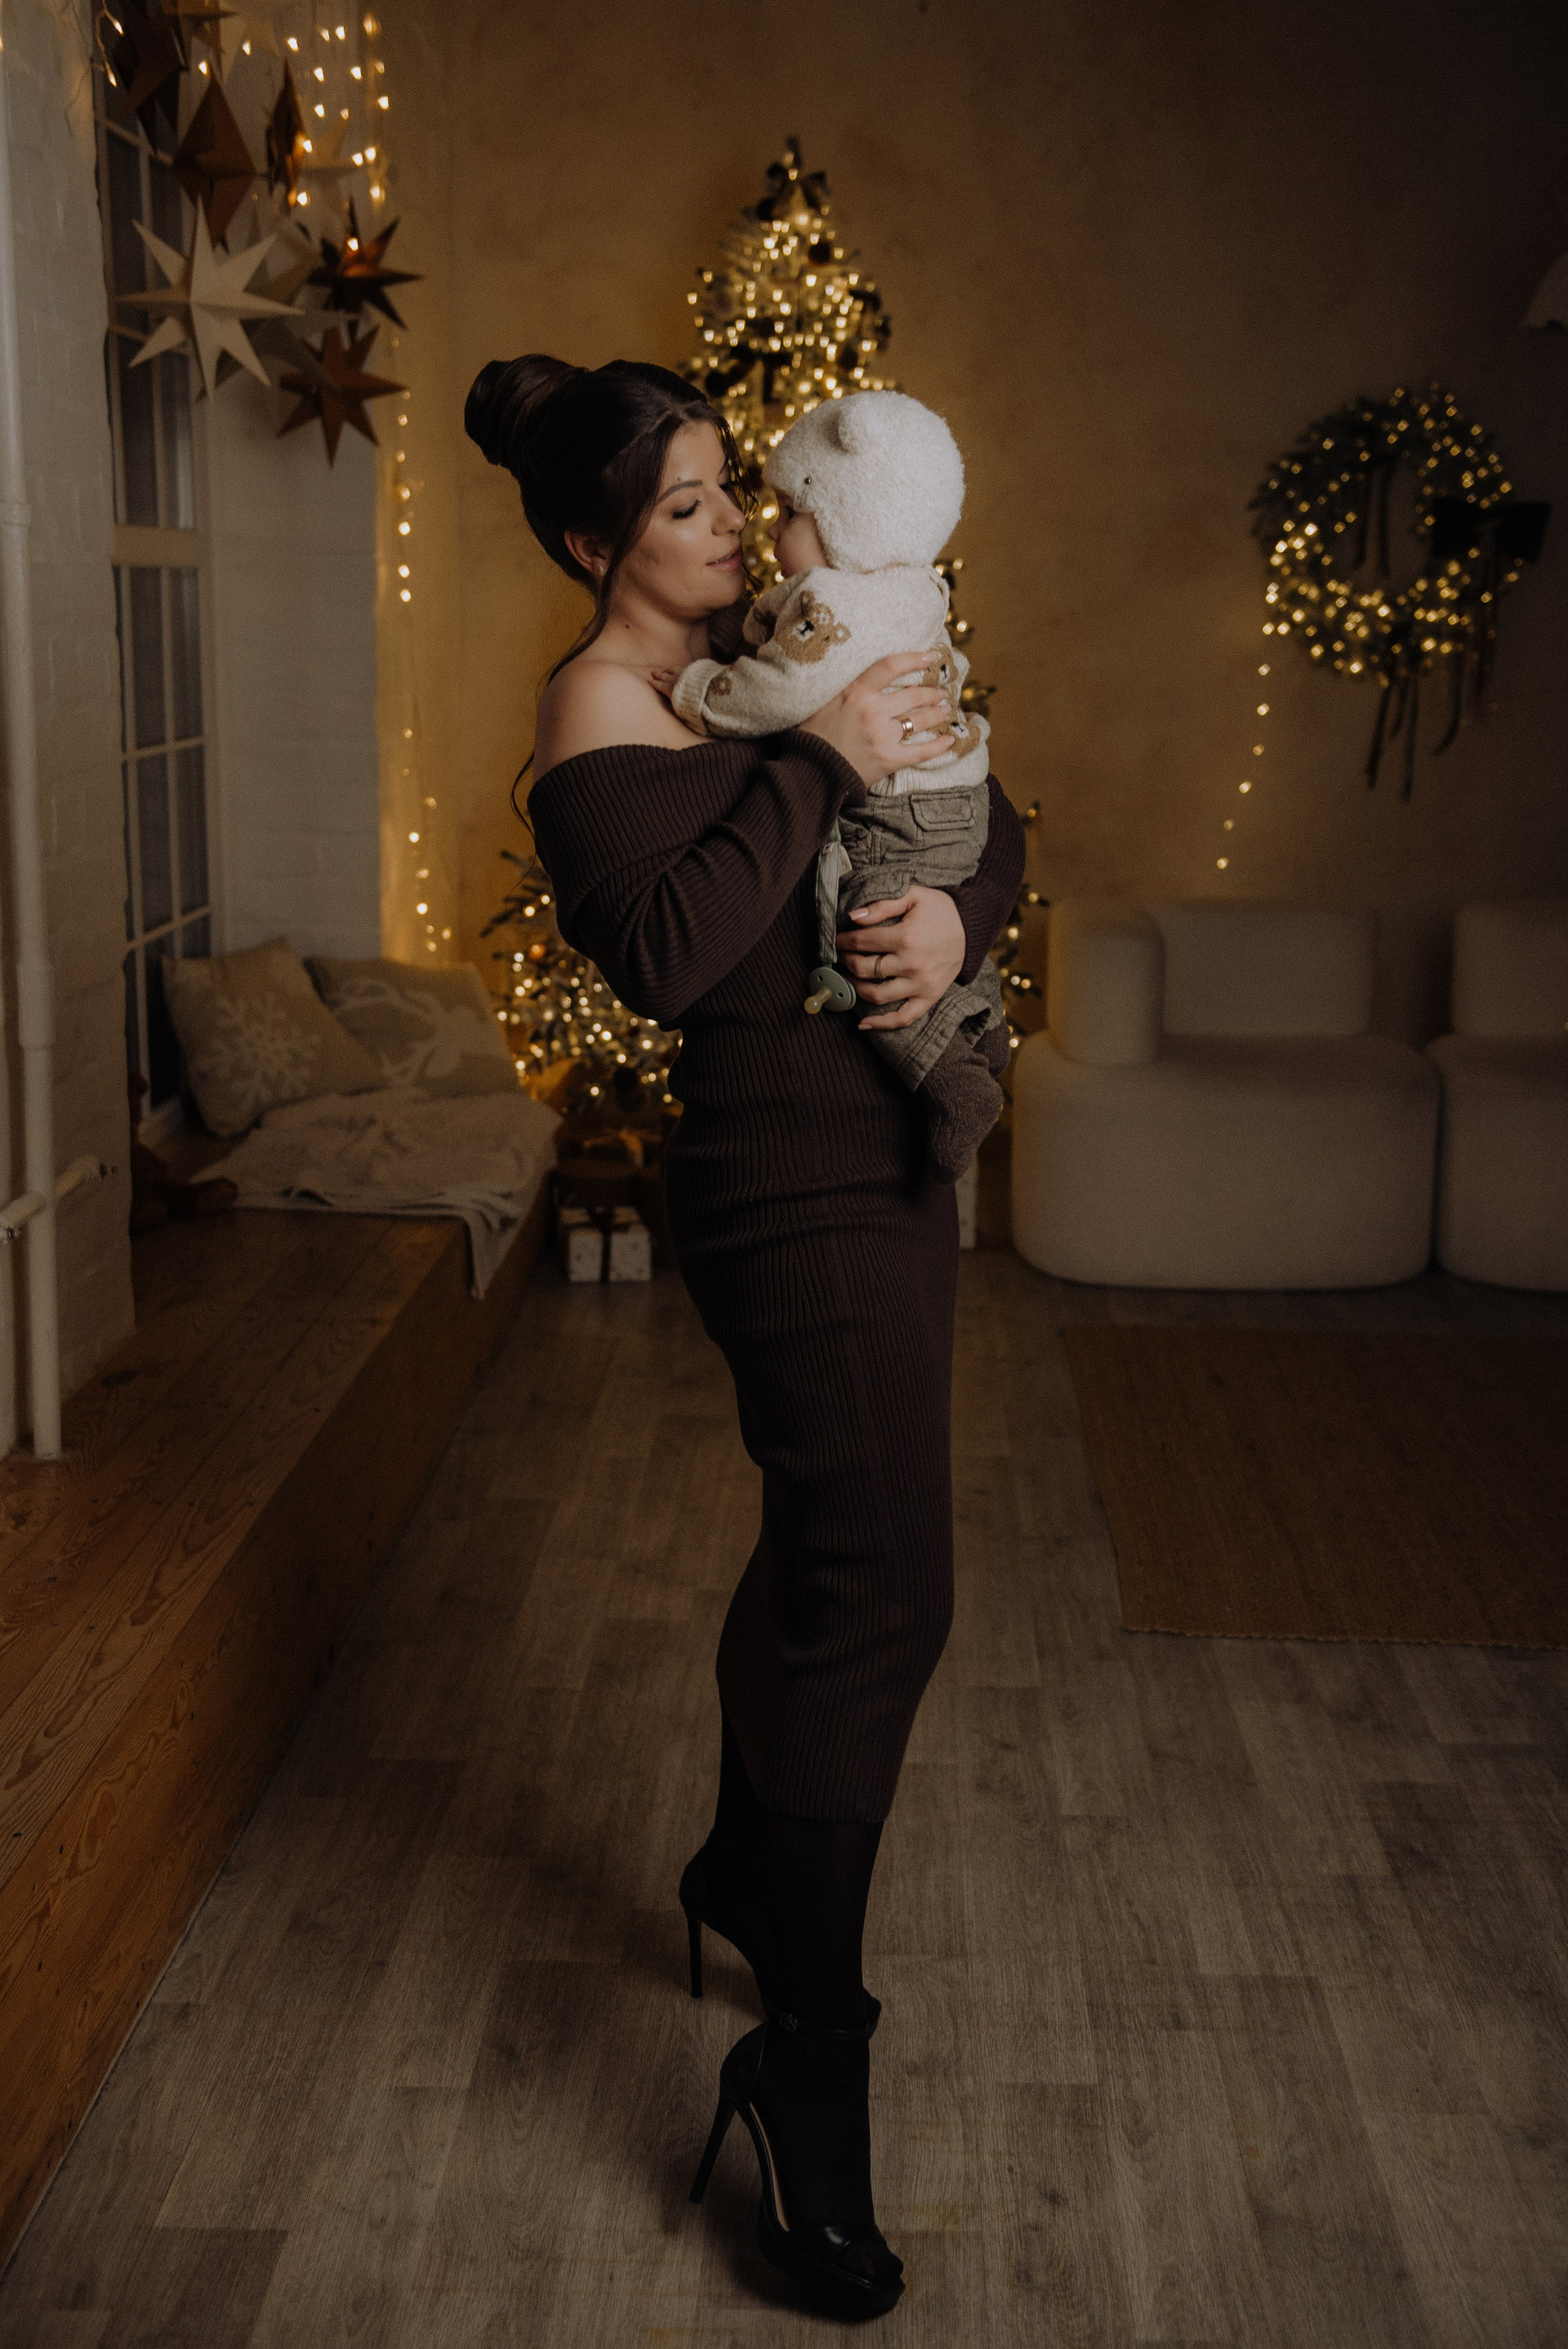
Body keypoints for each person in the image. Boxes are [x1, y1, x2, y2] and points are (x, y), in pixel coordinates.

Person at [465, 353, 1025, 2321]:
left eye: (727, 487)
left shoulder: (792, 635)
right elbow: (674, 951)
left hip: (893, 1150)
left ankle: (733, 1860)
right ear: (590, 545)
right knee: (888, 1584)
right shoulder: (596, 713)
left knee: (824, 1538)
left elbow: (986, 805)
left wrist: (960, 924)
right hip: (782, 1186)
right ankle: (807, 2059)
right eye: (685, 506)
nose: (726, 525)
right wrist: (822, 764)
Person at [662, 388, 1009, 1181]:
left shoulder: (839, 600)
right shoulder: (905, 585)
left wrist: (697, 690)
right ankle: (983, 1017)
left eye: (789, 512)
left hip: (903, 812)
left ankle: (953, 1081)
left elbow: (777, 690)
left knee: (873, 935)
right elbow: (778, 634)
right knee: (923, 905)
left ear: (849, 522)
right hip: (956, 800)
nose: (763, 529)